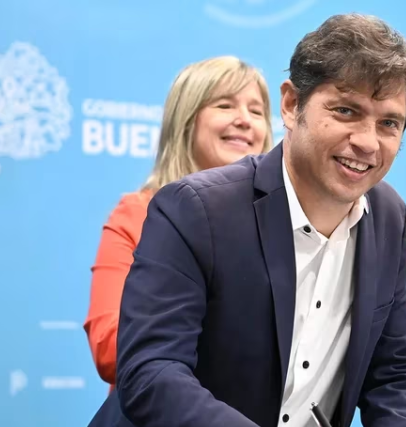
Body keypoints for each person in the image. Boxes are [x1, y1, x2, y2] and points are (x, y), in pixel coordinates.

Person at [46, 13, 406, 427]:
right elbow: (151, 370)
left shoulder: (389, 217)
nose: (367, 141)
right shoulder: (195, 208)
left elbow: (392, 367)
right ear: (291, 105)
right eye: (346, 111)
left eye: (389, 123)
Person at [83, 56, 274, 394]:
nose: (245, 120)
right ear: (186, 121)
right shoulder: (137, 215)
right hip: (163, 420)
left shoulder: (284, 223)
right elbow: (109, 346)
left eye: (256, 111)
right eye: (225, 105)